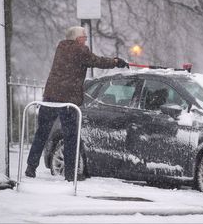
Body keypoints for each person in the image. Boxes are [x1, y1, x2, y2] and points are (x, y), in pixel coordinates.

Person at [25, 26, 128, 181]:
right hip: (68, 100)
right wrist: (115, 62)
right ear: (76, 38)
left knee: (42, 132)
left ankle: (31, 167)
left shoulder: (61, 47)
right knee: (71, 136)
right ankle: (70, 173)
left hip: (51, 96)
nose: (85, 39)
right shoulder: (80, 50)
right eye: (84, 36)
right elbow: (97, 61)